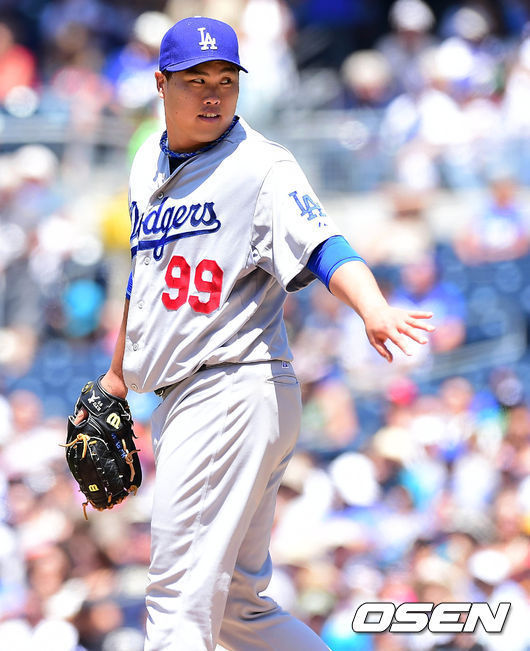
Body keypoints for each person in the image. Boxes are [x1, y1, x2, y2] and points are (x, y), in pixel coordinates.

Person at [74, 16, 434, 651]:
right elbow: (145, 277)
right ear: (161, 84)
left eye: (226, 80)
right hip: (201, 396)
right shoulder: (145, 160)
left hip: (231, 386)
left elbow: (325, 245)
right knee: (239, 607)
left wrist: (373, 307)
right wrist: (115, 377)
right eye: (196, 81)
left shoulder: (262, 166)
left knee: (177, 600)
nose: (213, 94)